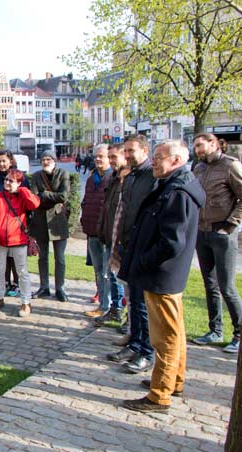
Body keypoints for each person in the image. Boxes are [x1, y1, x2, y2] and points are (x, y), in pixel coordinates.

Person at [119, 140, 205, 413]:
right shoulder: (172, 186)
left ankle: (160, 394)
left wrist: (143, 262)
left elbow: (172, 243)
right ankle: (173, 380)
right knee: (174, 332)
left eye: (159, 157)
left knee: (164, 336)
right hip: (165, 274)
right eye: (154, 157)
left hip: (162, 275)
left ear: (176, 160)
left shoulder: (177, 192)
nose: (154, 161)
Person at [191, 132, 242, 353]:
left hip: (222, 231)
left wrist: (229, 226)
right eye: (195, 146)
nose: (197, 149)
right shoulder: (198, 168)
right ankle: (215, 329)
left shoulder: (230, 165)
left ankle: (240, 334)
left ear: (214, 144)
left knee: (227, 286)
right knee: (210, 284)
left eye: (201, 145)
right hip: (202, 231)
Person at [107, 134, 157, 374]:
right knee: (134, 302)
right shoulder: (132, 176)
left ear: (145, 151)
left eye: (131, 151)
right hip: (128, 246)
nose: (127, 155)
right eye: (125, 151)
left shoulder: (152, 176)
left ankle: (146, 351)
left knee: (143, 305)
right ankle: (134, 343)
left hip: (143, 249)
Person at [0, 169, 41, 316]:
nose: (7, 183)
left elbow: (34, 204)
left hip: (18, 240)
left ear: (19, 183)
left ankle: (26, 302)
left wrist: (22, 190)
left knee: (22, 272)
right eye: (6, 180)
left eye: (11, 180)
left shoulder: (23, 197)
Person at [29, 150, 71, 302]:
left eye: (48, 159)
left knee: (60, 258)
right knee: (43, 257)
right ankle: (44, 287)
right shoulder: (36, 176)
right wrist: (51, 197)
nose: (45, 162)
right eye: (43, 159)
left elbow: (64, 196)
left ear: (54, 160)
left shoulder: (63, 174)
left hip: (57, 220)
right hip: (40, 220)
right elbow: (34, 197)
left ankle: (60, 288)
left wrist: (45, 194)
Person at [95, 143, 128, 328]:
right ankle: (115, 310)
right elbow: (107, 208)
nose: (111, 160)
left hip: (122, 238)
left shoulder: (127, 178)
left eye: (113, 157)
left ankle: (125, 314)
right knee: (111, 275)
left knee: (120, 277)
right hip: (110, 235)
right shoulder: (114, 178)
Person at [0, 150, 30, 297]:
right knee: (1, 260)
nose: (1, 163)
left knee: (16, 259)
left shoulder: (21, 178)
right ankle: (5, 283)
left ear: (11, 162)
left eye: (4, 161)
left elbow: (29, 202)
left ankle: (16, 284)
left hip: (15, 229)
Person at [80, 144, 114, 318]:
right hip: (92, 230)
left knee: (107, 272)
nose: (98, 159)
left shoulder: (113, 178)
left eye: (102, 156)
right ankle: (103, 303)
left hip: (106, 233)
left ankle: (108, 306)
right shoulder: (91, 178)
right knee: (98, 270)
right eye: (96, 157)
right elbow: (86, 201)